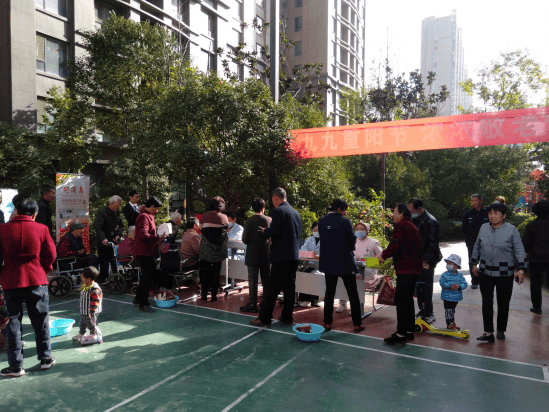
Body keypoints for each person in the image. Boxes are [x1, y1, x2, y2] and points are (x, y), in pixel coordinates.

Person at [0, 197, 57, 377]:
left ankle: (16, 366)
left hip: (11, 280)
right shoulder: (42, 228)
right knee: (41, 320)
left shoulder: (2, 229)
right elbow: (51, 254)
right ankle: (46, 358)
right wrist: (43, 270)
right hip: (36, 278)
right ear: (34, 214)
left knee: (13, 324)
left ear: (16, 210)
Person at [471, 202, 527, 342]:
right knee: (486, 302)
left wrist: (521, 269)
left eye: (496, 213)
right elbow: (477, 245)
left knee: (503, 302)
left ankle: (501, 329)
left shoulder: (511, 230)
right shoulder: (484, 227)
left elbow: (520, 250)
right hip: (485, 272)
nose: (492, 216)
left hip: (504, 274)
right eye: (490, 213)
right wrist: (474, 263)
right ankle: (488, 333)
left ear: (504, 215)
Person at [250, 188, 302, 327]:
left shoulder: (279, 211)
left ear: (275, 198)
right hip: (293, 255)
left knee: (272, 288)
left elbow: (275, 231)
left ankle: (264, 317)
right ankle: (287, 317)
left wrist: (265, 231)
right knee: (289, 288)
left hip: (281, 256)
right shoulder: (295, 212)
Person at [318, 200, 365, 333]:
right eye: (344, 210)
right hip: (344, 261)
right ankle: (357, 324)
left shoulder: (321, 220)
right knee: (352, 293)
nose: (345, 213)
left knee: (329, 293)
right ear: (339, 209)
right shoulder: (345, 221)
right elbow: (351, 240)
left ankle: (327, 323)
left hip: (328, 261)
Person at [380, 203, 423, 345]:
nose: (393, 215)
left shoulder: (402, 226)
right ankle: (409, 331)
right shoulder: (412, 226)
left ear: (402, 213)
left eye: (395, 212)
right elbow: (406, 246)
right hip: (414, 268)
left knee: (401, 300)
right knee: (408, 300)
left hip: (406, 269)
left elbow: (396, 244)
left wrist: (384, 255)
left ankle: (400, 334)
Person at [407, 198, 441, 323]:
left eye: (411, 210)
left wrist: (426, 260)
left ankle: (429, 312)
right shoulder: (415, 219)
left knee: (426, 286)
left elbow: (433, 244)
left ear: (419, 209)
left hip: (427, 260)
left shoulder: (431, 221)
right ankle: (422, 310)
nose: (409, 213)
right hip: (417, 259)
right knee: (419, 286)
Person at [134, 196, 170, 312]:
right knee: (147, 278)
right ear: (152, 206)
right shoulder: (144, 216)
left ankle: (138, 298)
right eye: (157, 208)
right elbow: (143, 235)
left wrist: (158, 239)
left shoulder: (148, 216)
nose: (157, 211)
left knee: (146, 276)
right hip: (144, 252)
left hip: (147, 251)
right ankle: (143, 303)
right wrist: (158, 238)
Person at [338, 222, 382, 313]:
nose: (359, 231)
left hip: (368, 271)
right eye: (357, 229)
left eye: (362, 229)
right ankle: (342, 303)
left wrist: (365, 259)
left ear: (367, 231)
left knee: (352, 278)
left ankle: (356, 306)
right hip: (353, 269)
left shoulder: (374, 242)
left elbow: (380, 258)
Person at [240, 198, 271, 313]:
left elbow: (245, 239)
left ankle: (252, 304)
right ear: (263, 208)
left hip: (252, 254)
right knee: (266, 279)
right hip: (265, 254)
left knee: (252, 280)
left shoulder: (249, 221)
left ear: (253, 208)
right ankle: (266, 302)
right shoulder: (268, 220)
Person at [199, 197, 229, 302]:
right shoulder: (224, 217)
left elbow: (201, 228)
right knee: (216, 273)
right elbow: (226, 229)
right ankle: (214, 296)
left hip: (206, 247)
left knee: (205, 272)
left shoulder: (204, 216)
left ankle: (203, 295)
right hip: (219, 248)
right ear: (219, 206)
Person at [522, 200, 549, 315]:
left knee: (536, 283)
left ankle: (537, 307)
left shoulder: (531, 225)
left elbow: (525, 244)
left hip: (535, 258)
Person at [462, 194, 489, 289]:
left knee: (484, 261)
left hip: (486, 242)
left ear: (481, 201)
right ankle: (474, 280)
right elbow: (464, 229)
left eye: (475, 200)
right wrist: (468, 241)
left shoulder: (487, 213)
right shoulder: (467, 214)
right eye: (472, 201)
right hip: (472, 242)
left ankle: (484, 279)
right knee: (472, 261)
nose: (473, 203)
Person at [95, 195, 124, 282]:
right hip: (104, 241)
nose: (119, 207)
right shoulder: (102, 212)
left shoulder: (116, 212)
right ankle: (103, 280)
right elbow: (98, 227)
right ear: (112, 203)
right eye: (118, 205)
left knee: (114, 260)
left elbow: (120, 225)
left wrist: (118, 235)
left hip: (113, 240)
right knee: (104, 261)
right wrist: (103, 238)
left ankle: (116, 279)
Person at [72, 267, 103, 342]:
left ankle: (94, 335)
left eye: (83, 277)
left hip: (90, 312)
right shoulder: (85, 286)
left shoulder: (94, 289)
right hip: (84, 311)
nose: (81, 279)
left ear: (88, 279)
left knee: (92, 324)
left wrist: (92, 311)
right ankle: (82, 333)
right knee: (82, 323)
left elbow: (95, 301)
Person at [439, 254, 468, 330]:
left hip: (455, 298)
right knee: (448, 310)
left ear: (456, 266)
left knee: (452, 310)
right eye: (447, 263)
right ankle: (449, 324)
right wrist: (449, 286)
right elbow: (442, 282)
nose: (447, 265)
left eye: (450, 264)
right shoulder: (444, 275)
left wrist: (459, 286)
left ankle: (451, 323)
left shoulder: (460, 275)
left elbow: (465, 284)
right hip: (447, 297)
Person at [297, 221, 320, 308]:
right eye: (314, 230)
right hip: (310, 265)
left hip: (321, 266)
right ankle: (304, 299)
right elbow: (301, 251)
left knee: (315, 275)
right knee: (304, 274)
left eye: (318, 230)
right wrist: (311, 253)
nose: (316, 232)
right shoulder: (309, 239)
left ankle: (315, 300)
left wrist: (317, 255)